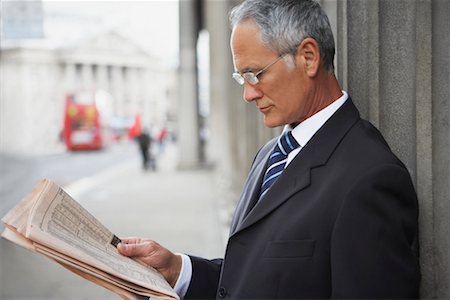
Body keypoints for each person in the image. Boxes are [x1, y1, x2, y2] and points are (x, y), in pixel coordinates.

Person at [118, 0, 420, 298]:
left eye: (255, 74)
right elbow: (255, 277)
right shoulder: (269, 154)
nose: (248, 94)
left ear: (308, 57)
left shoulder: (369, 178)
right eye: (241, 78)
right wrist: (178, 271)